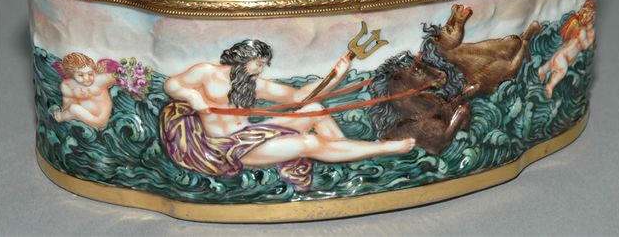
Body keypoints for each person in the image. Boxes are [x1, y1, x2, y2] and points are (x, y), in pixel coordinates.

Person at [159, 40, 415, 191]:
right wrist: (194, 98)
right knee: (309, 142)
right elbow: (172, 85)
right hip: (228, 148)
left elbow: (299, 97)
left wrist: (336, 75)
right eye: (259, 64)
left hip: (251, 135)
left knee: (315, 110)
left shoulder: (253, 85)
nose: (261, 70)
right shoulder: (206, 72)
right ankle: (381, 149)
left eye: (263, 66)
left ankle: (345, 156)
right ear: (243, 58)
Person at [539, 0, 596, 98]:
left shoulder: (580, 29)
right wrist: (591, 38)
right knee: (562, 71)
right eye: (591, 17)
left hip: (562, 54)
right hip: (564, 57)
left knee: (550, 65)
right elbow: (584, 45)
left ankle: (542, 71)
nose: (592, 20)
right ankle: (549, 86)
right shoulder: (582, 31)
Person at [53, 52, 116, 128]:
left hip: (98, 120)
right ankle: (67, 116)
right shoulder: (68, 84)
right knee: (70, 103)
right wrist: (74, 94)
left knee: (74, 108)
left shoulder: (98, 80)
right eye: (81, 75)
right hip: (86, 115)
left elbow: (115, 77)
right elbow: (67, 100)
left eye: (90, 73)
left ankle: (62, 117)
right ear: (71, 74)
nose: (87, 78)